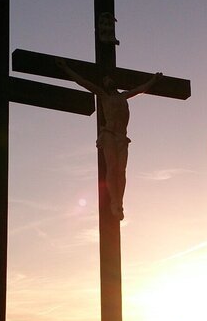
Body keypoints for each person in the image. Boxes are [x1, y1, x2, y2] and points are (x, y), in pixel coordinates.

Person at [56, 58, 161, 220]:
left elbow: (141, 89)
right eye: (105, 80)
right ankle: (115, 202)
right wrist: (65, 68)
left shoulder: (124, 96)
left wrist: (154, 80)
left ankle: (120, 201)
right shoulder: (103, 95)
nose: (107, 80)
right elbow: (82, 82)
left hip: (122, 137)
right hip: (109, 135)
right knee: (112, 168)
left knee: (122, 171)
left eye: (109, 78)